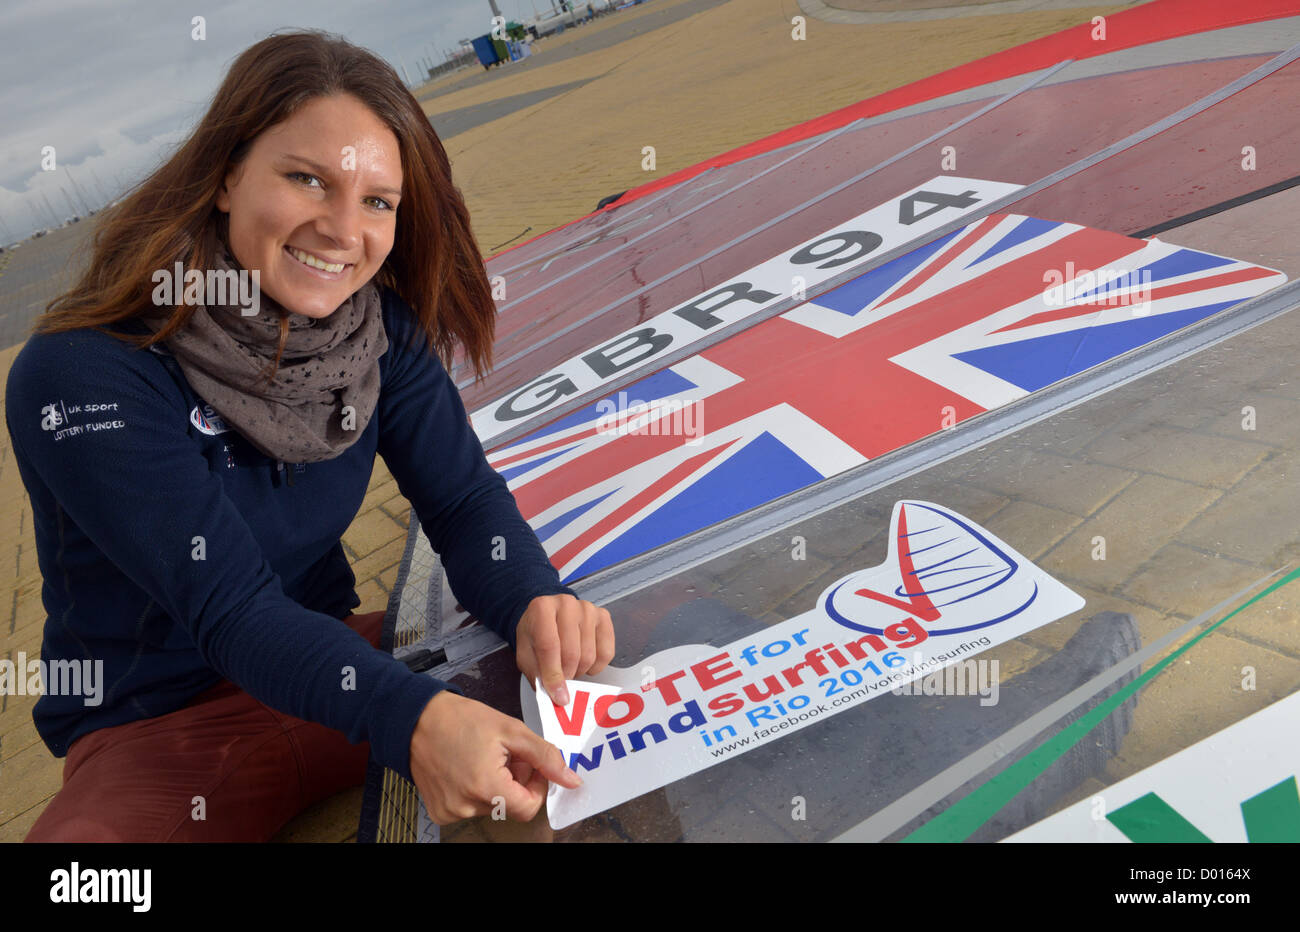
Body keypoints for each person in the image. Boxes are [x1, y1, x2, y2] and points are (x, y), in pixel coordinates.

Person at [5, 30, 614, 842]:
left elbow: (464, 503)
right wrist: (416, 721)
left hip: (341, 673)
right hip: (159, 728)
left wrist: (535, 597)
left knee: (644, 641)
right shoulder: (82, 371)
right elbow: (229, 609)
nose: (341, 229)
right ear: (226, 176)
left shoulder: (379, 332)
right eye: (305, 179)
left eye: (377, 201)